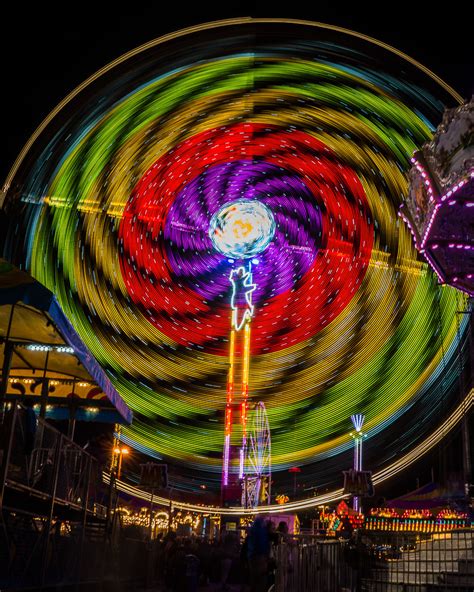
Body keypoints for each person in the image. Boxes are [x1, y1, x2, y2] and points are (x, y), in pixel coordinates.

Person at [247, 516, 270, 592]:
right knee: (261, 578)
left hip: (252, 556)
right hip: (260, 556)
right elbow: (262, 544)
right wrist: (266, 555)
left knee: (254, 578)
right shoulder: (261, 531)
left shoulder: (253, 530)